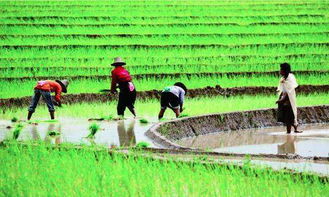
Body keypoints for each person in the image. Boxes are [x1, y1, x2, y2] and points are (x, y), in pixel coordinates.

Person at [276, 63, 302, 134]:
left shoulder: (291, 77)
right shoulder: (282, 78)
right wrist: (281, 98)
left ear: (285, 70)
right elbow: (282, 90)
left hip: (289, 100)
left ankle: (289, 133)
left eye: (281, 69)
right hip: (284, 100)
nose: (279, 71)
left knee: (289, 117)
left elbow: (289, 91)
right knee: (287, 117)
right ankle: (293, 127)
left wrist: (282, 100)